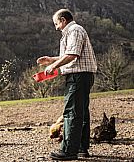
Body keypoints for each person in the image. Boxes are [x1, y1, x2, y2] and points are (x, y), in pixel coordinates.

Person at [37, 9, 97, 161]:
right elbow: (70, 53)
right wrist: (51, 59)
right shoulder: (74, 31)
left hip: (77, 76)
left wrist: (53, 67)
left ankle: (69, 150)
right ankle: (82, 148)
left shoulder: (74, 30)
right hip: (82, 75)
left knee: (72, 112)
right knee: (81, 111)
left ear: (63, 20)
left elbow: (72, 55)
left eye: (56, 23)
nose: (56, 27)